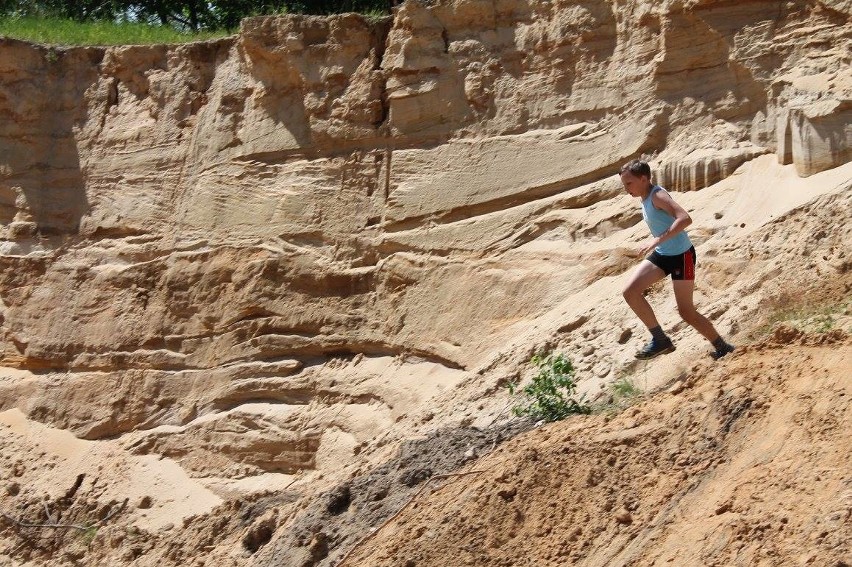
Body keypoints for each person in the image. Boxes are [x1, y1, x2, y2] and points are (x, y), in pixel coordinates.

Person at [619, 159, 735, 360]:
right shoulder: (645, 197)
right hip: (664, 255)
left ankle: (723, 347)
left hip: (683, 257)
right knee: (630, 291)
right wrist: (658, 243)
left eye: (628, 183)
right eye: (624, 184)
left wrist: (656, 241)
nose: (626, 188)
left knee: (686, 312)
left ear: (643, 178)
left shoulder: (657, 196)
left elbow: (685, 218)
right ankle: (660, 339)